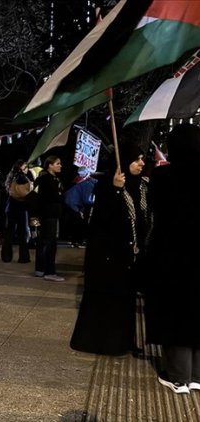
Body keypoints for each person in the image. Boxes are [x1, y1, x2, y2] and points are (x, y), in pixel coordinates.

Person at [69, 142, 150, 356]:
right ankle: (107, 343)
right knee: (109, 301)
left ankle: (126, 341)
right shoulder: (106, 185)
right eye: (136, 159)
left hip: (133, 256)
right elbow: (102, 221)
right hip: (110, 256)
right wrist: (115, 190)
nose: (141, 163)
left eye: (142, 158)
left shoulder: (141, 186)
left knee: (127, 302)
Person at [144, 123, 200, 394]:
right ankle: (197, 373)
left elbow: (154, 207)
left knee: (175, 310)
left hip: (172, 252)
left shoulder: (164, 176)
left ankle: (178, 375)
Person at [32, 155, 65, 281]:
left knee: (43, 242)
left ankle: (40, 269)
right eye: (57, 163)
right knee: (50, 243)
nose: (60, 166)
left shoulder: (49, 178)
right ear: (50, 165)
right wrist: (60, 194)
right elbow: (54, 196)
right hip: (49, 214)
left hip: (48, 213)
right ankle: (49, 272)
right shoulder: (47, 179)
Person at [0, 160, 32, 263]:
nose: (27, 169)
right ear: (21, 168)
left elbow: (7, 189)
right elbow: (28, 190)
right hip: (21, 206)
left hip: (11, 206)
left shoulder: (11, 176)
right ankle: (23, 257)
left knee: (9, 232)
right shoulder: (23, 177)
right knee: (22, 233)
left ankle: (6, 256)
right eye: (25, 167)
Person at [63, 167, 97, 248]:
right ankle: (79, 241)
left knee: (75, 223)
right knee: (80, 223)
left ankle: (75, 241)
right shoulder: (88, 184)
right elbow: (87, 200)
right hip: (75, 205)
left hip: (69, 204)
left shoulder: (77, 181)